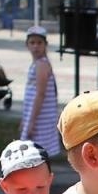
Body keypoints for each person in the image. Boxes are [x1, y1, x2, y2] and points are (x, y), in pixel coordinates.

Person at [20, 25, 61, 157]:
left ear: (45, 45)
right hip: (37, 115)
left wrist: (31, 121)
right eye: (32, 43)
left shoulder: (41, 64)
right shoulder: (38, 63)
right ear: (27, 45)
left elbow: (40, 93)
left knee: (35, 153)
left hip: (40, 119)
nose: (36, 46)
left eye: (39, 43)